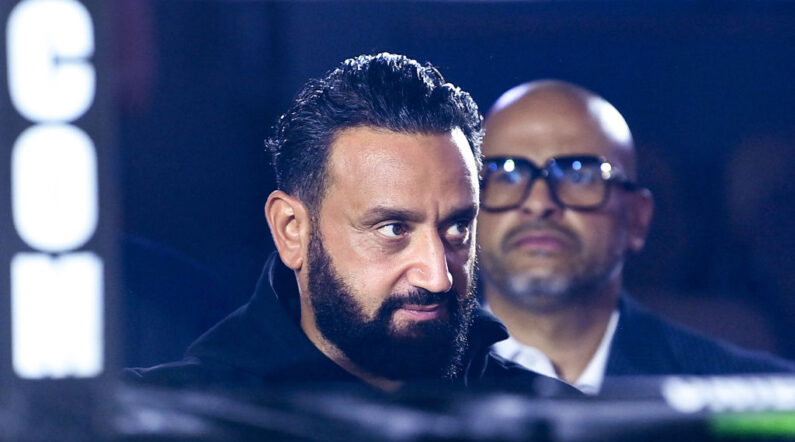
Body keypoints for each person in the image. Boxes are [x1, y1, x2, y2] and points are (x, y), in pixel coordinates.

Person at [124, 54, 570, 394]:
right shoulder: (161, 425)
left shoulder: (560, 424)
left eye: (457, 228)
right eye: (393, 229)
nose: (437, 276)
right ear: (291, 231)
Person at [477, 80, 795, 395]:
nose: (539, 203)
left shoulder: (759, 399)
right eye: (506, 173)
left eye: (579, 173)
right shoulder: (428, 380)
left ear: (637, 218)